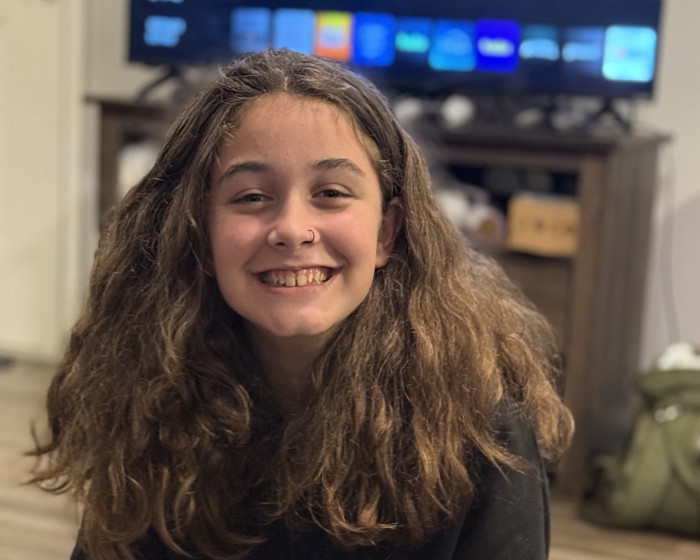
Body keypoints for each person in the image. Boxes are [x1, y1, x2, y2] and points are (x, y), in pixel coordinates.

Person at [31, 49, 573, 560]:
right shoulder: (148, 394)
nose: (292, 229)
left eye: (331, 193)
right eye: (251, 197)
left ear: (387, 231)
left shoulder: (482, 418)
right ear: (199, 233)